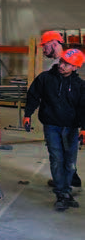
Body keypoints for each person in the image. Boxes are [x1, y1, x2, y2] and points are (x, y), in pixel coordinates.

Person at [24, 48, 85, 211]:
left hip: (71, 128)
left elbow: (83, 108)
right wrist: (28, 114)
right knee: (57, 159)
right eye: (62, 61)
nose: (62, 65)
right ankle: (62, 193)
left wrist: (84, 129)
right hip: (51, 126)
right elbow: (33, 96)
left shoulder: (80, 86)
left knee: (70, 163)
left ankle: (65, 190)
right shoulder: (45, 79)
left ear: (75, 67)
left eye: (68, 64)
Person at [39, 32, 81, 189]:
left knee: (64, 151)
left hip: (69, 118)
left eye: (45, 46)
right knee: (63, 150)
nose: (43, 50)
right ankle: (69, 179)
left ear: (54, 43)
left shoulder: (69, 63)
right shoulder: (56, 65)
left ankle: (65, 183)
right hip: (58, 117)